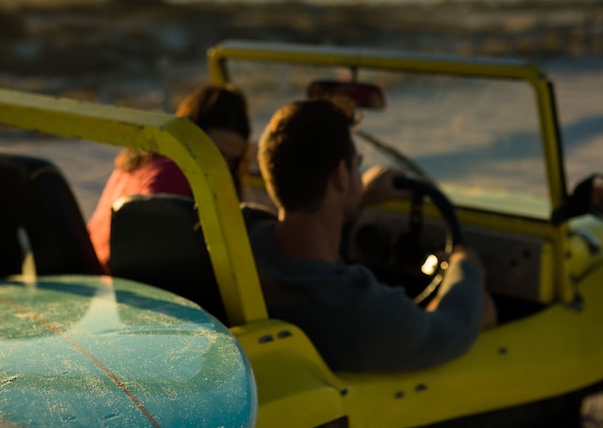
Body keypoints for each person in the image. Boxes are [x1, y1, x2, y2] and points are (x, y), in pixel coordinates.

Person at [250, 97, 496, 373]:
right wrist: (466, 266)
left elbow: (308, 238)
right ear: (341, 176)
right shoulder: (361, 313)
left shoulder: (241, 242)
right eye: (357, 165)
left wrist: (358, 196)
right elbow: (454, 329)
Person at [88, 84, 251, 270]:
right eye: (215, 154)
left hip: (94, 270)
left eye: (232, 161)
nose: (223, 167)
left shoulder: (141, 158)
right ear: (192, 137)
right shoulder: (177, 176)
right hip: (120, 285)